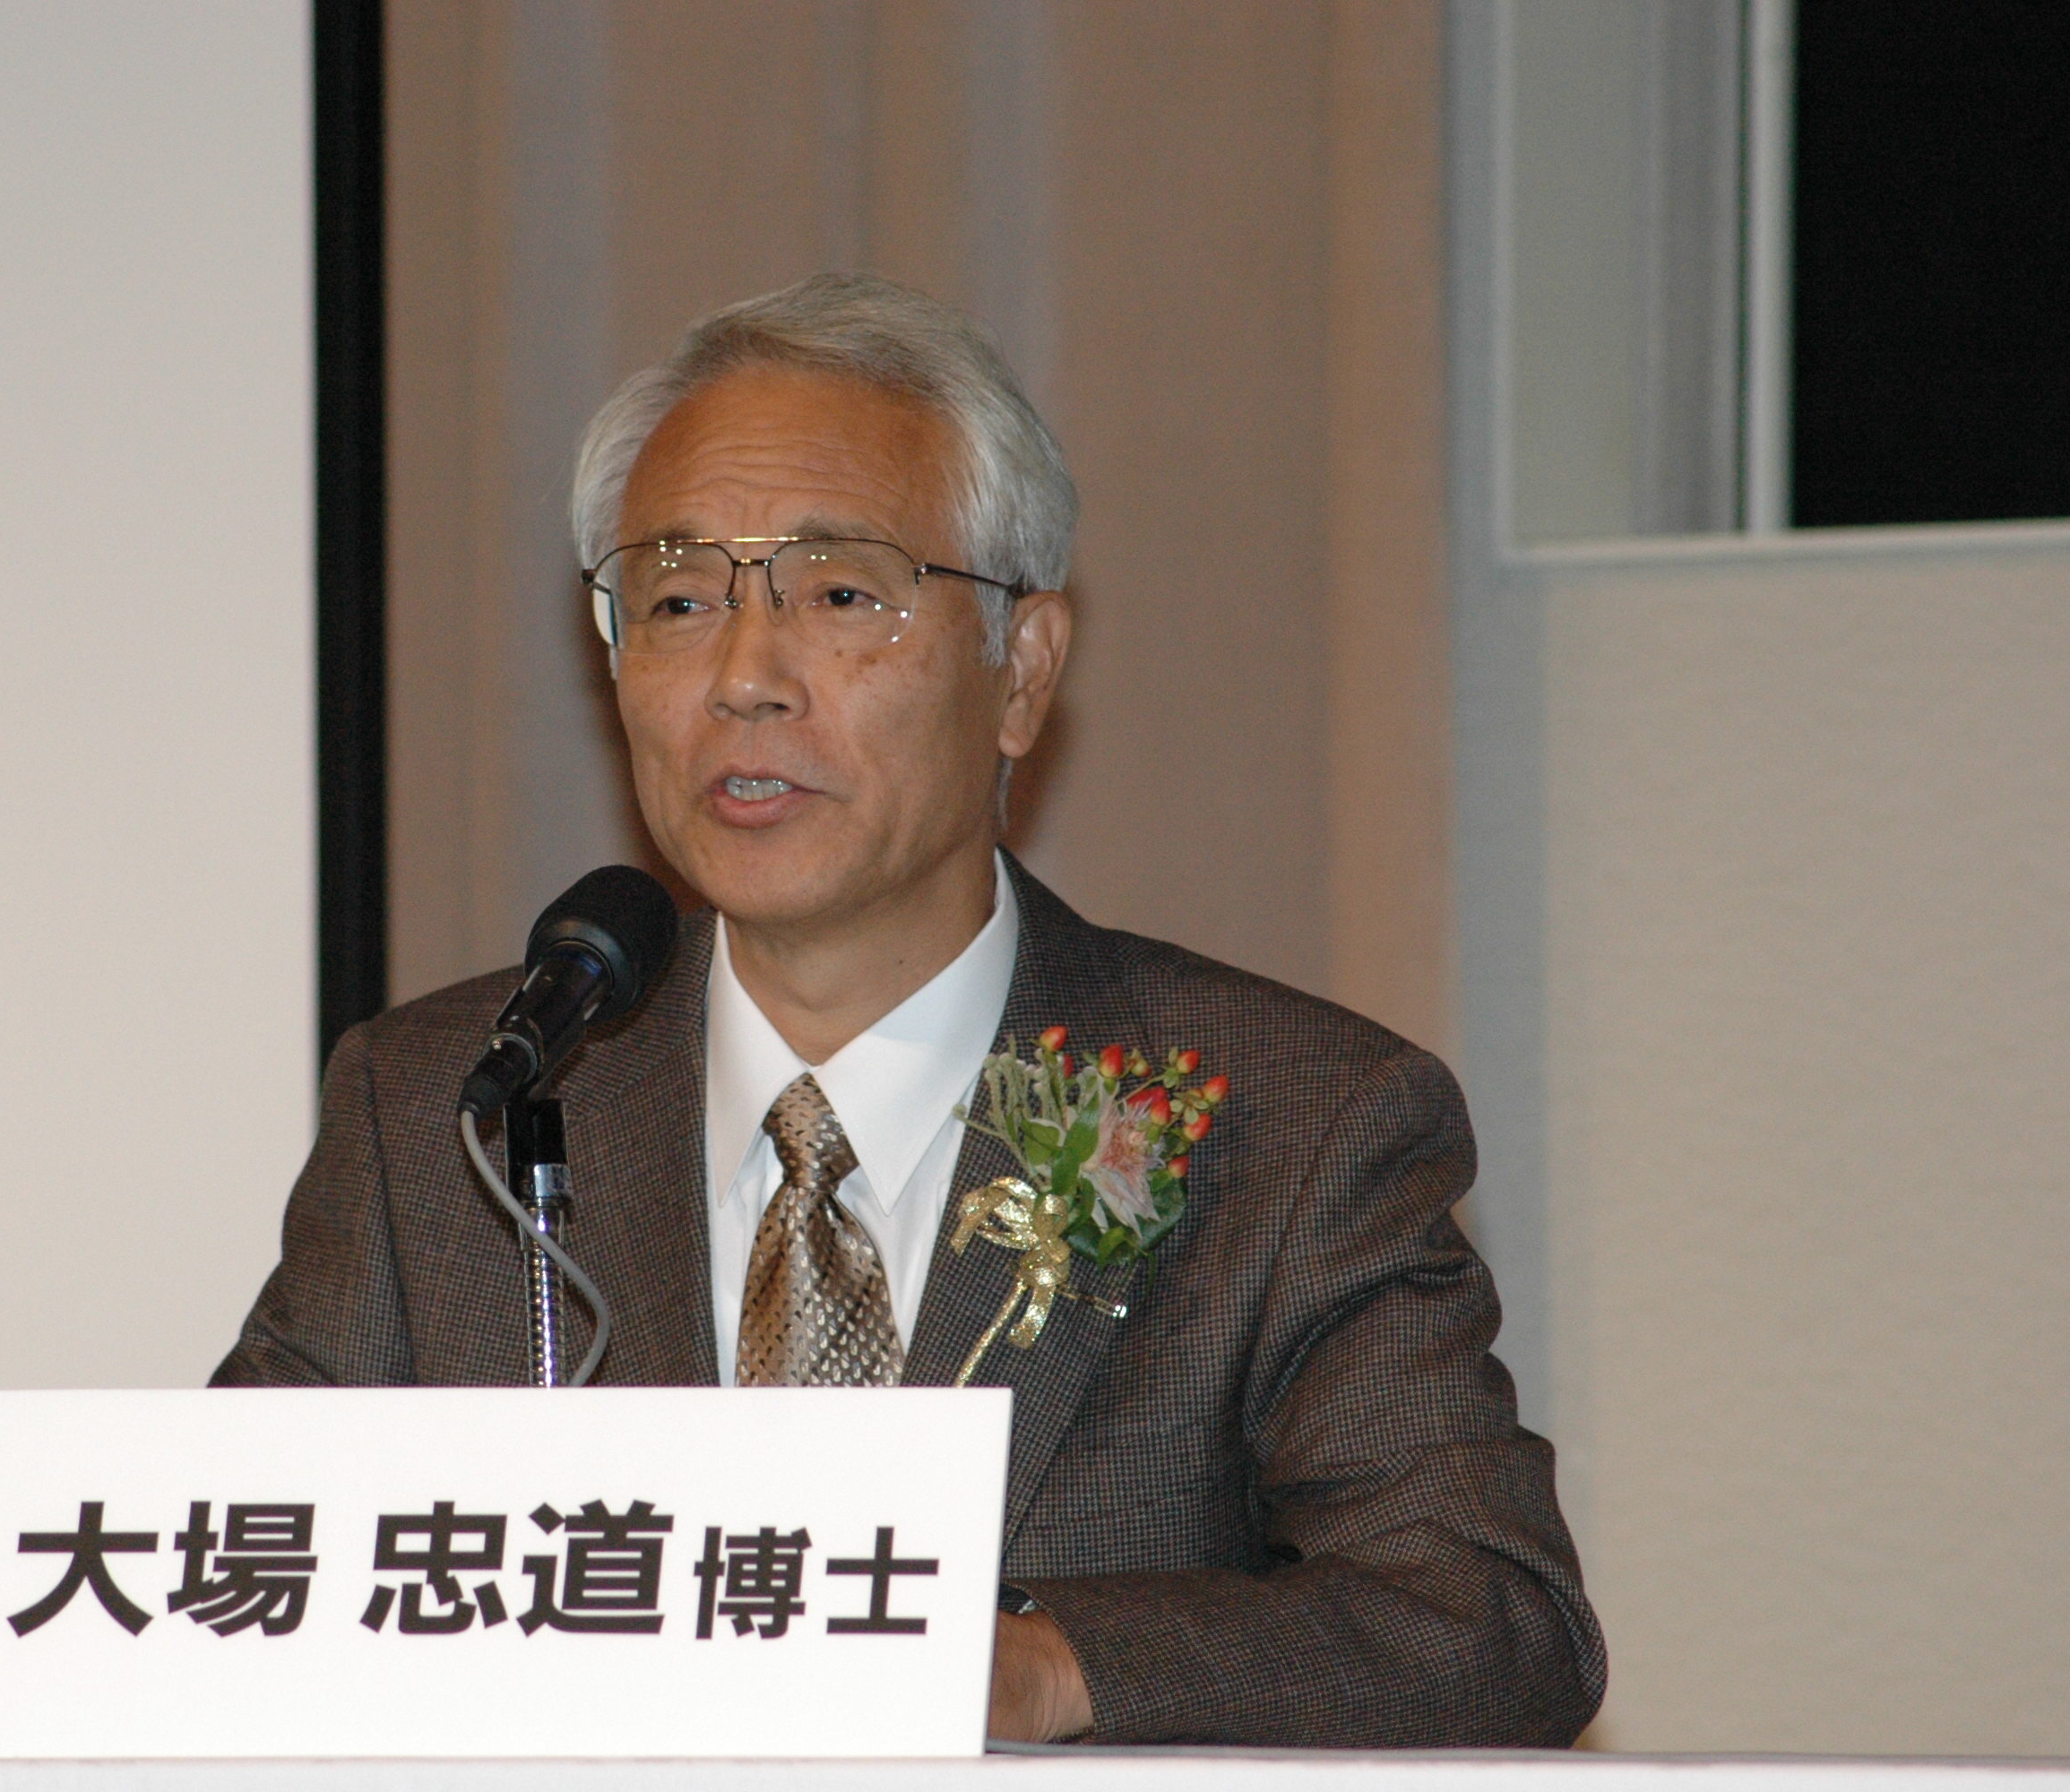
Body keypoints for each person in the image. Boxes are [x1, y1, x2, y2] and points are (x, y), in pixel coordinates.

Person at [213, 272, 1604, 1746]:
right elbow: (222, 1578)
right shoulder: (457, 1112)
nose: (745, 679)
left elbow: (1488, 1622)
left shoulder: (1297, 1121)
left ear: (1023, 671)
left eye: (838, 595)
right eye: (678, 601)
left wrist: (1045, 1671)